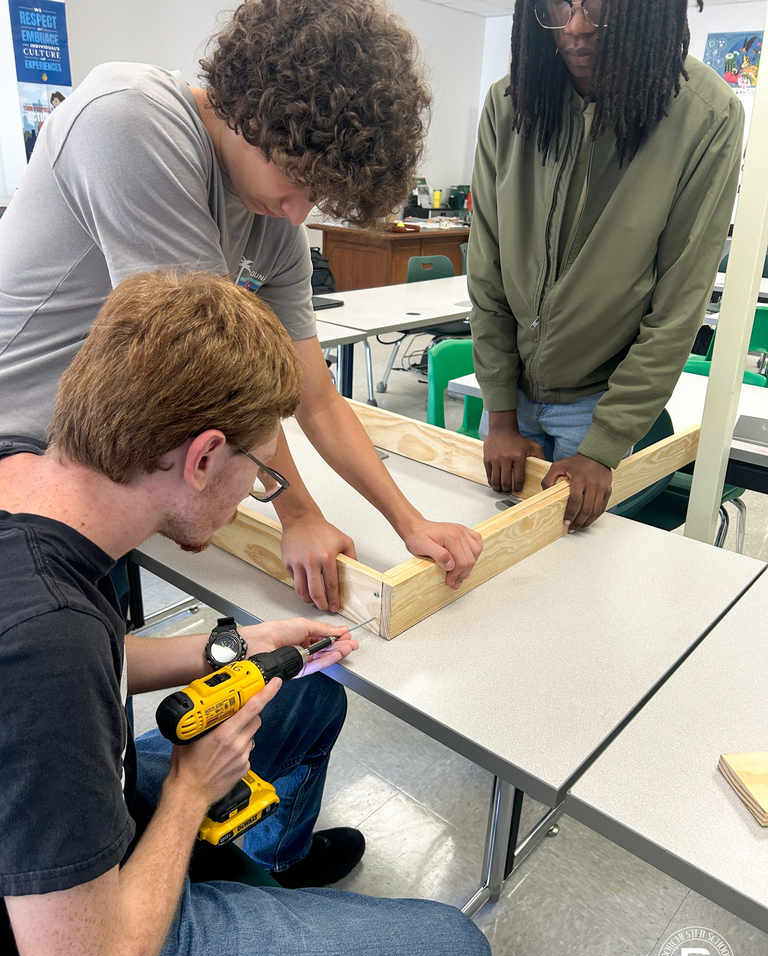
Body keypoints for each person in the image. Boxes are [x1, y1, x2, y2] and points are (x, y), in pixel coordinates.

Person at [0, 270, 492, 956]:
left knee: (307, 693)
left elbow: (90, 666)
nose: (257, 494)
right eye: (263, 474)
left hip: (60, 808)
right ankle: (213, 906)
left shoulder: (28, 485)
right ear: (201, 458)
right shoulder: (47, 645)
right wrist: (192, 792)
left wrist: (236, 644)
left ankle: (269, 865)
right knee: (455, 952)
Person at [0, 0, 483, 614]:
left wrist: (410, 523)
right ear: (254, 111)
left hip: (106, 465)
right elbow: (215, 377)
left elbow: (318, 399)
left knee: (105, 662)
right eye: (297, 180)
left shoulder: (271, 224)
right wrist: (298, 512)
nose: (300, 212)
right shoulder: (130, 119)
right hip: (21, 464)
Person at [469, 0, 744, 531]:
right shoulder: (512, 102)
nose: (576, 27)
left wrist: (605, 444)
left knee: (573, 580)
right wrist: (500, 411)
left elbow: (679, 302)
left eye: (600, 6)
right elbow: (486, 268)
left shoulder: (705, 114)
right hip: (513, 399)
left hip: (601, 402)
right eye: (558, 6)